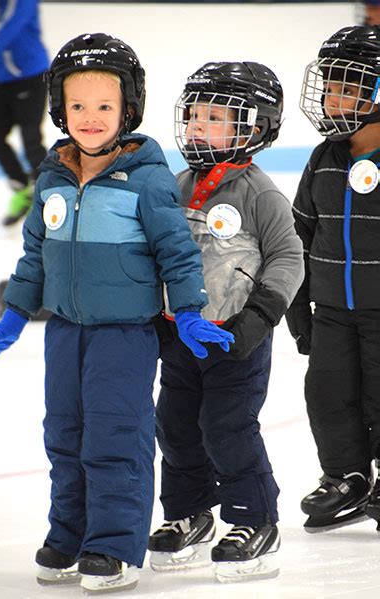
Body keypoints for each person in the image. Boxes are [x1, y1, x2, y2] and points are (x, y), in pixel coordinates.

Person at [0, 33, 234, 594]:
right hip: (66, 333)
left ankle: (113, 546)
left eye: (104, 106)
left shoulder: (146, 179)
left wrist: (188, 311)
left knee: (115, 436)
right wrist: (14, 316)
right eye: (77, 106)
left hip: (124, 334)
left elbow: (177, 253)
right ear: (59, 110)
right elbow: (34, 258)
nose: (90, 118)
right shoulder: (52, 176)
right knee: (64, 435)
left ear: (128, 109)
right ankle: (69, 535)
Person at [148, 62, 304, 583]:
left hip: (236, 340)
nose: (197, 126)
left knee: (227, 428)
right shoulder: (177, 185)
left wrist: (258, 318)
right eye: (193, 115)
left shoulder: (259, 193)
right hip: (180, 336)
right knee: (174, 426)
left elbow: (288, 257)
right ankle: (190, 512)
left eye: (214, 117)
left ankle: (253, 518)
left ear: (253, 126)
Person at [286, 24, 380, 534]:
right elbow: (299, 233)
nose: (330, 98)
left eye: (347, 86)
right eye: (329, 85)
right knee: (327, 394)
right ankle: (346, 476)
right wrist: (298, 306)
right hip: (331, 313)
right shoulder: (324, 159)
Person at [0, 0, 48, 226]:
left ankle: (47, 195)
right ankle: (21, 188)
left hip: (30, 75)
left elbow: (7, 28)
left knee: (31, 140)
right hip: (1, 78)